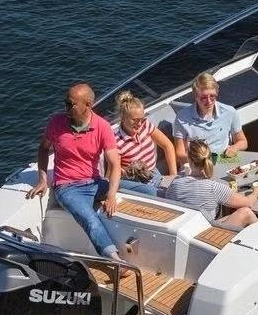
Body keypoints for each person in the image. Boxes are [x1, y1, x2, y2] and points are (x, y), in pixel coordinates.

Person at [26, 81, 126, 267]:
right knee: (90, 219)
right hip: (67, 187)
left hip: (95, 182)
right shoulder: (56, 123)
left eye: (71, 104)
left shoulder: (102, 126)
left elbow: (115, 163)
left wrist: (111, 194)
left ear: (88, 105)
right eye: (66, 102)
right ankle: (115, 260)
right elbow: (43, 149)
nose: (66, 108)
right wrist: (42, 179)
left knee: (140, 189)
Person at [166, 139, 258, 228]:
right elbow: (248, 203)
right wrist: (256, 192)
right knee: (246, 212)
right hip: (205, 235)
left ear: (188, 159)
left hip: (187, 230)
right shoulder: (213, 187)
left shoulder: (175, 183)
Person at [173, 72, 247, 167]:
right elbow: (180, 153)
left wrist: (235, 147)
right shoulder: (182, 117)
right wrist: (198, 162)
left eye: (212, 96)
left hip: (223, 161)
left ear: (217, 93)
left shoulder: (230, 112)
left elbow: (243, 141)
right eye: (203, 97)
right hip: (196, 165)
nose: (209, 101)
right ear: (195, 95)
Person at [114, 90, 177, 196]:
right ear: (123, 117)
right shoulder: (116, 141)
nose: (139, 124)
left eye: (141, 119)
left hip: (154, 174)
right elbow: (115, 171)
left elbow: (167, 145)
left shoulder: (145, 125)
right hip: (135, 181)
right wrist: (126, 171)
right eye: (135, 120)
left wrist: (173, 175)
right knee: (156, 194)